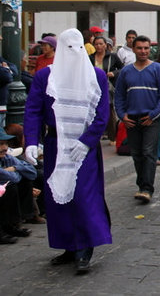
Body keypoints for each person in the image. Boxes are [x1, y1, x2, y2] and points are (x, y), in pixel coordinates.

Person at [24, 28, 112, 273]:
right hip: (56, 145)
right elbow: (33, 110)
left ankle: (85, 246)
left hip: (84, 148)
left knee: (84, 195)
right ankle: (68, 245)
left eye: (78, 47)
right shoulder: (45, 77)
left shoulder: (96, 76)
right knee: (57, 197)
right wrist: (31, 141)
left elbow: (101, 114)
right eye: (68, 48)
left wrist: (86, 141)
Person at [114, 35, 160, 204]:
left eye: (146, 48)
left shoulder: (157, 69)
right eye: (140, 48)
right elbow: (119, 95)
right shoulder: (126, 71)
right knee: (136, 154)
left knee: (148, 153)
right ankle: (141, 184)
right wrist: (122, 115)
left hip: (151, 119)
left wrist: (153, 115)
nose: (143, 51)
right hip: (131, 119)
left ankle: (146, 188)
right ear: (134, 49)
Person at [0, 132, 36, 244]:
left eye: (5, 143)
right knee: (11, 187)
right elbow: (13, 178)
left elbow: (32, 173)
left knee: (26, 182)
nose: (5, 148)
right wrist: (19, 172)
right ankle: (4, 229)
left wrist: (15, 168)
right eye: (0, 144)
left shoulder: (7, 158)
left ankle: (12, 225)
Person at [89, 36, 124, 143]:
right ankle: (95, 134)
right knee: (93, 111)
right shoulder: (90, 57)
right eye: (96, 44)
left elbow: (122, 68)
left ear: (105, 45)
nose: (99, 46)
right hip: (93, 87)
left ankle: (112, 136)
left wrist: (114, 73)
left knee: (109, 110)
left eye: (101, 44)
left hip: (107, 87)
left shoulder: (112, 56)